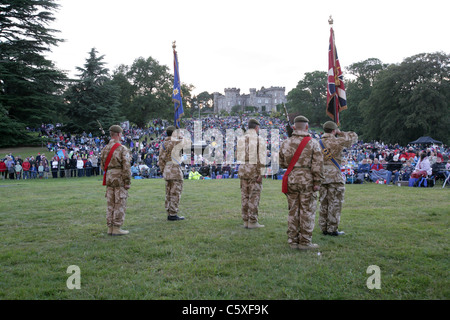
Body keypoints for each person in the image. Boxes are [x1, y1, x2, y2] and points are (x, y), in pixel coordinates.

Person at [279, 116, 324, 249]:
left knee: (293, 211)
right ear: (306, 127)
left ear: (294, 127)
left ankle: (292, 241)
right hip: (307, 180)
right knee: (307, 211)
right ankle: (305, 242)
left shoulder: (285, 142)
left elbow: (281, 163)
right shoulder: (312, 143)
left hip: (291, 179)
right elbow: (318, 164)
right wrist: (317, 181)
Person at [318, 121, 358, 237]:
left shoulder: (317, 143)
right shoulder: (337, 141)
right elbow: (353, 137)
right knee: (335, 203)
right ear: (334, 130)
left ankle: (323, 227)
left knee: (323, 203)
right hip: (334, 175)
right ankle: (332, 228)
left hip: (321, 175)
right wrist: (341, 133)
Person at [101, 125, 131, 236]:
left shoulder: (105, 149)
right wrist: (127, 182)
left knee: (110, 203)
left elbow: (102, 165)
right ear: (119, 134)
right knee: (119, 202)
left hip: (109, 177)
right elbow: (126, 167)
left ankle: (110, 227)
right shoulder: (122, 148)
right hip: (119, 178)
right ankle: (117, 227)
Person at [237, 119, 267, 229]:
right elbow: (262, 157)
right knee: (254, 196)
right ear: (256, 128)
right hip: (254, 170)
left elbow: (237, 155)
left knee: (244, 196)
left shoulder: (241, 139)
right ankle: (252, 221)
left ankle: (245, 220)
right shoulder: (259, 139)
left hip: (243, 169)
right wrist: (261, 173)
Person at [158, 126, 191, 221]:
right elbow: (189, 143)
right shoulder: (177, 142)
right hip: (175, 169)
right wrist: (181, 136)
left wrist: (163, 170)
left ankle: (169, 211)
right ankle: (173, 214)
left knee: (168, 192)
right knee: (175, 192)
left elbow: (160, 160)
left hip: (167, 169)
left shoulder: (163, 144)